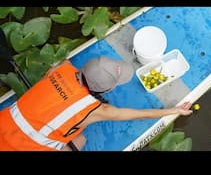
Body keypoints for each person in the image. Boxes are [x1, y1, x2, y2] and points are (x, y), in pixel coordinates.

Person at [0, 56, 193, 151]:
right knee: (80, 140)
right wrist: (174, 110)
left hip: (3, 126)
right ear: (107, 90)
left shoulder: (62, 67)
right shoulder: (95, 110)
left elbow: (58, 67)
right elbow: (135, 114)